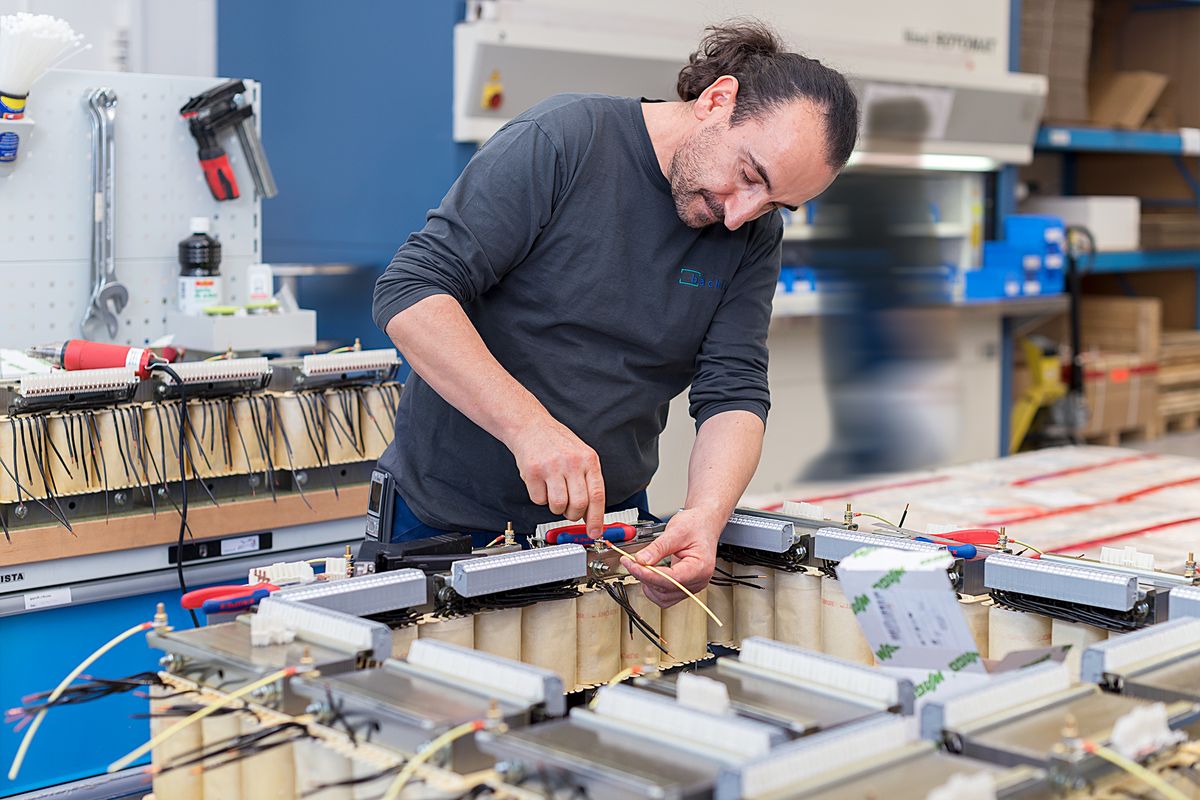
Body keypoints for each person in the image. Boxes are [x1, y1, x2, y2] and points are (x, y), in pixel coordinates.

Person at [372, 20, 858, 607]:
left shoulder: (754, 233)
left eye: (775, 202)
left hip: (609, 532)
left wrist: (705, 515)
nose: (741, 215)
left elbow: (733, 389)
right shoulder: (565, 140)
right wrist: (530, 427)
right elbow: (411, 290)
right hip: (443, 523)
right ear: (716, 100)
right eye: (750, 175)